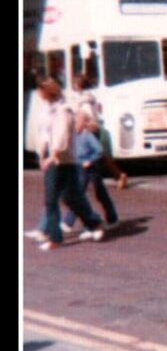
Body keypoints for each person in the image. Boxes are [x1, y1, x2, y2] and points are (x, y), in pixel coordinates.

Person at [34, 78, 106, 250]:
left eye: (40, 91)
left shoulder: (63, 111)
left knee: (52, 200)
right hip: (56, 160)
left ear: (47, 92)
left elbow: (63, 137)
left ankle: (55, 239)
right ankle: (94, 223)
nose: (38, 95)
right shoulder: (49, 110)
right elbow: (45, 133)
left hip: (62, 161)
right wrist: (41, 153)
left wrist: (52, 156)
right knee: (70, 197)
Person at [62, 108, 119, 231]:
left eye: (77, 122)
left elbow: (99, 151)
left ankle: (112, 218)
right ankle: (68, 222)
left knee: (99, 193)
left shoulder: (87, 136)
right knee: (79, 194)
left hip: (90, 168)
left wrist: (89, 160)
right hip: (78, 167)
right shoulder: (74, 135)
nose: (74, 125)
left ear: (83, 124)